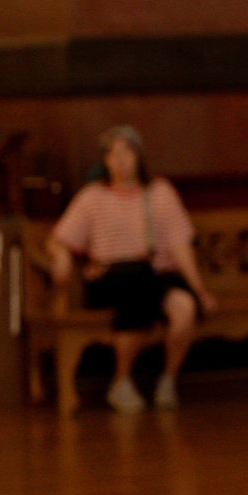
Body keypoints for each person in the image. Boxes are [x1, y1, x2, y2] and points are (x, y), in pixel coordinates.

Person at [46, 126, 216, 413]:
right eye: (113, 154)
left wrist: (200, 290)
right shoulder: (92, 197)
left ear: (139, 156)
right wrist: (61, 256)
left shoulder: (160, 193)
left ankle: (168, 380)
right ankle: (121, 379)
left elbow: (180, 246)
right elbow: (58, 239)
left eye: (127, 152)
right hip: (111, 278)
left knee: (185, 306)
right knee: (137, 286)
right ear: (105, 161)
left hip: (155, 276)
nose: (121, 160)